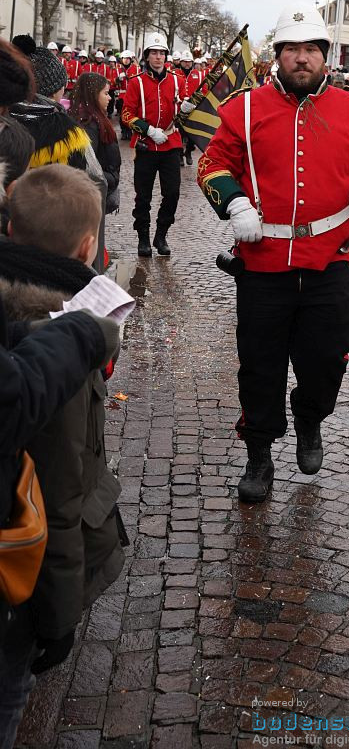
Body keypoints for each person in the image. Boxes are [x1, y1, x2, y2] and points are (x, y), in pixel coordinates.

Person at [197, 2, 349, 503]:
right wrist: (234, 201)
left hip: (330, 259)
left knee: (328, 359)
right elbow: (212, 165)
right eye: (292, 50)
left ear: (325, 56)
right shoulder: (243, 108)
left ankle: (310, 418)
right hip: (262, 264)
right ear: (278, 55)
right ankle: (259, 456)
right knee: (259, 365)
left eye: (311, 50)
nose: (301, 59)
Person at [0, 166, 125, 743]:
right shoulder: (55, 333)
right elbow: (58, 488)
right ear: (88, 247)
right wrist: (59, 613)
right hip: (16, 581)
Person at [122, 32, 183, 257]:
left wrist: (185, 110)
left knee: (173, 193)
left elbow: (183, 108)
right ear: (147, 56)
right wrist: (147, 129)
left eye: (161, 53)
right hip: (146, 145)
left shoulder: (178, 80)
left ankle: (161, 234)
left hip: (170, 143)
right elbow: (126, 114)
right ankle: (143, 237)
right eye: (154, 53)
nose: (158, 57)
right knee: (143, 196)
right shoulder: (136, 82)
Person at [70, 73, 122, 215]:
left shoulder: (95, 118)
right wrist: (108, 179)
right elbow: (88, 165)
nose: (109, 97)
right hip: (92, 191)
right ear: (93, 95)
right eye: (106, 93)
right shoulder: (88, 122)